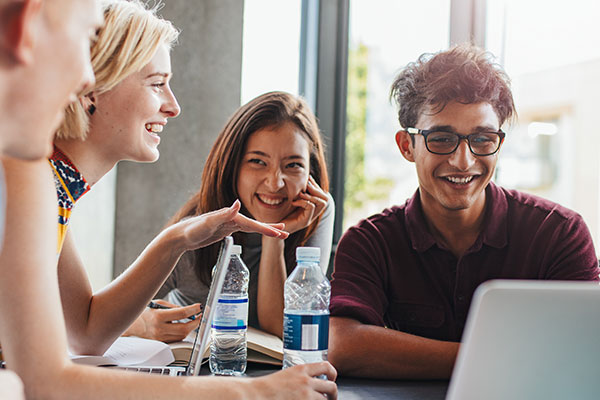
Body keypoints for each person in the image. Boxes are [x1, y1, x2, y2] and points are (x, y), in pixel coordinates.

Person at [0, 0, 337, 398]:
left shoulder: (55, 194)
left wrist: (177, 239)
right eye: (157, 82)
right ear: (96, 87)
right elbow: (46, 380)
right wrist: (256, 393)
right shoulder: (28, 177)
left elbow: (85, 333)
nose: (173, 106)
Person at [327, 43, 600, 380]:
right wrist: (503, 360)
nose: (463, 160)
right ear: (406, 146)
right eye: (441, 139)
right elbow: (343, 345)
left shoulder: (559, 233)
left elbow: (584, 351)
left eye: (483, 139)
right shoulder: (370, 241)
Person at [126, 91, 334, 340]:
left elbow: (281, 328)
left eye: (293, 165)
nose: (275, 183)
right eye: (258, 161)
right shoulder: (194, 233)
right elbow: (105, 316)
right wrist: (144, 323)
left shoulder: (316, 210)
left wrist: (274, 237)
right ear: (232, 166)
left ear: (311, 171)